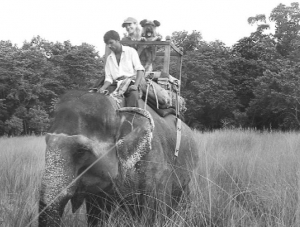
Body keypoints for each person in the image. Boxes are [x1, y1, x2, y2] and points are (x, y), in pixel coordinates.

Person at [99, 30, 145, 108]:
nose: (109, 46)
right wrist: (102, 88)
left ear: (117, 40)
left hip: (129, 83)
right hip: (114, 85)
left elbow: (139, 69)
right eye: (107, 44)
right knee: (100, 100)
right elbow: (109, 78)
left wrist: (135, 85)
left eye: (111, 43)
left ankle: (132, 118)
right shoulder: (109, 59)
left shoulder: (131, 51)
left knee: (133, 96)